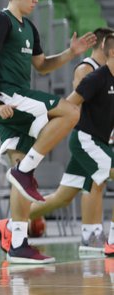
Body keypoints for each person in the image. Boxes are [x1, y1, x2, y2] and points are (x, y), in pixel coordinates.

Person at [0, 0, 96, 264]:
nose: (36, 0)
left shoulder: (29, 27)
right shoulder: (0, 21)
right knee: (71, 110)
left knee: (21, 177)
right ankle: (25, 169)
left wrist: (71, 53)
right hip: (9, 95)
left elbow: (42, 66)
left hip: (19, 99)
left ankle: (18, 242)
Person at [27, 29, 114, 256]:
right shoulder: (88, 69)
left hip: (99, 139)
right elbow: (75, 103)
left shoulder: (110, 73)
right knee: (97, 181)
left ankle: (17, 216)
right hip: (87, 138)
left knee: (62, 197)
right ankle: (91, 234)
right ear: (105, 45)